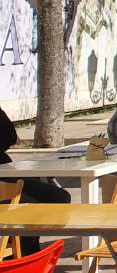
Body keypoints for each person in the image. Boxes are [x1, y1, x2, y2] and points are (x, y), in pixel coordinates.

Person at [0, 104, 72, 256]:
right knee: (30, 208)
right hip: (4, 182)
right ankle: (23, 251)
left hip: (7, 174)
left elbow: (11, 138)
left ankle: (23, 245)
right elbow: (12, 139)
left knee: (60, 197)